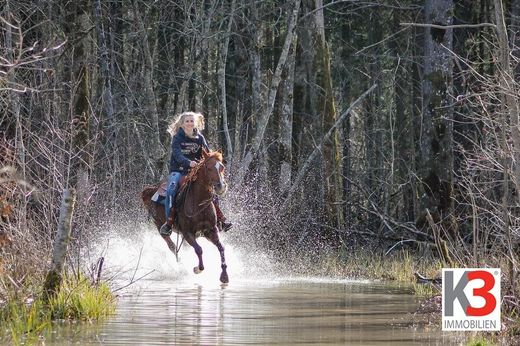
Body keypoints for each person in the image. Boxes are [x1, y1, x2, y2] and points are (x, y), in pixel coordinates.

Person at [160, 111, 232, 235]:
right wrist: (189, 163)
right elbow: (177, 154)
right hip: (178, 171)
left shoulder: (200, 138)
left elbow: (207, 154)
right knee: (171, 191)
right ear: (182, 124)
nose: (189, 123)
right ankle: (169, 223)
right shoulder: (177, 137)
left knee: (211, 190)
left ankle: (221, 219)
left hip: (197, 172)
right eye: (187, 121)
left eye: (191, 121)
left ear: (195, 123)